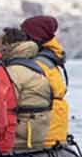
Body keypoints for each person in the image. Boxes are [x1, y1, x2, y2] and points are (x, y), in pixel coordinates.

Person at [0, 27, 53, 150]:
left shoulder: (13, 71)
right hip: (38, 133)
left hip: (21, 137)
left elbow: (5, 104)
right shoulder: (34, 66)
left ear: (8, 46)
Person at [21, 15, 71, 146]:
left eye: (24, 34)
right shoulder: (50, 60)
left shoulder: (38, 64)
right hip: (56, 131)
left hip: (46, 133)